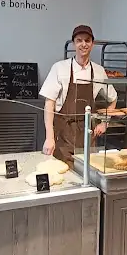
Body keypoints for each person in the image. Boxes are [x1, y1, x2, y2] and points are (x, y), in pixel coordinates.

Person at [39, 25, 118, 167]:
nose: (83, 44)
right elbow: (49, 103)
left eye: (87, 40)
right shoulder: (59, 68)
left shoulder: (99, 71)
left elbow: (113, 99)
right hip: (63, 135)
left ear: (92, 44)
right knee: (63, 174)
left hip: (88, 135)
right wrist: (49, 137)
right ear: (74, 43)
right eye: (79, 40)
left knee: (88, 175)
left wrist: (105, 123)